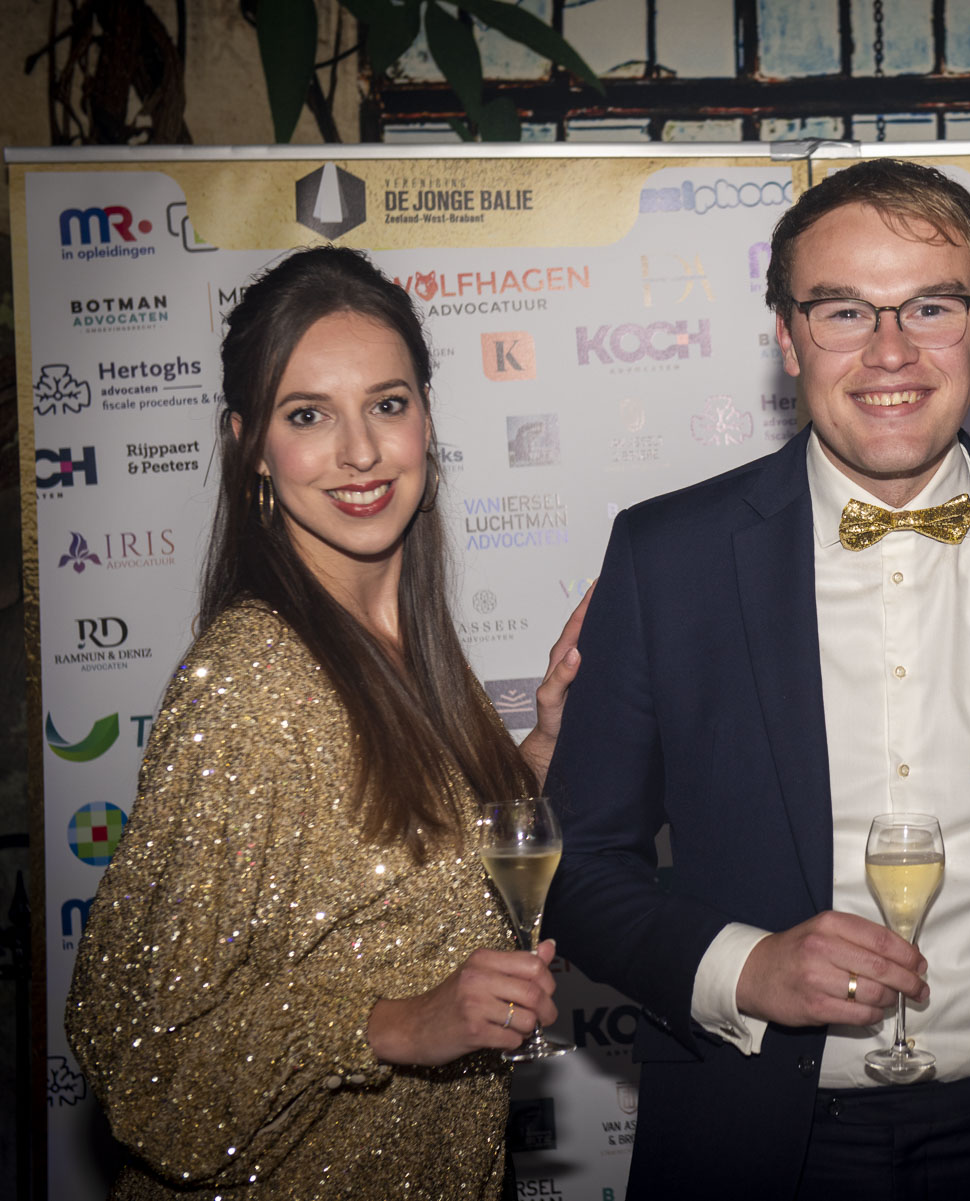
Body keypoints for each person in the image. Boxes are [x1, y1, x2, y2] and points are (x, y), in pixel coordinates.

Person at [544, 158, 970, 1198]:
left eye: (930, 306)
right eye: (844, 310)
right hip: (755, 1145)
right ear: (787, 336)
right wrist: (746, 967)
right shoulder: (669, 558)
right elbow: (577, 869)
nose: (891, 352)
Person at [66, 246, 589, 1199]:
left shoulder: (409, 646)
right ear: (249, 444)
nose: (360, 452)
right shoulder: (250, 684)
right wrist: (396, 1023)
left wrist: (542, 745)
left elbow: (415, 866)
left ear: (426, 418)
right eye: (308, 414)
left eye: (387, 404)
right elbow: (141, 1057)